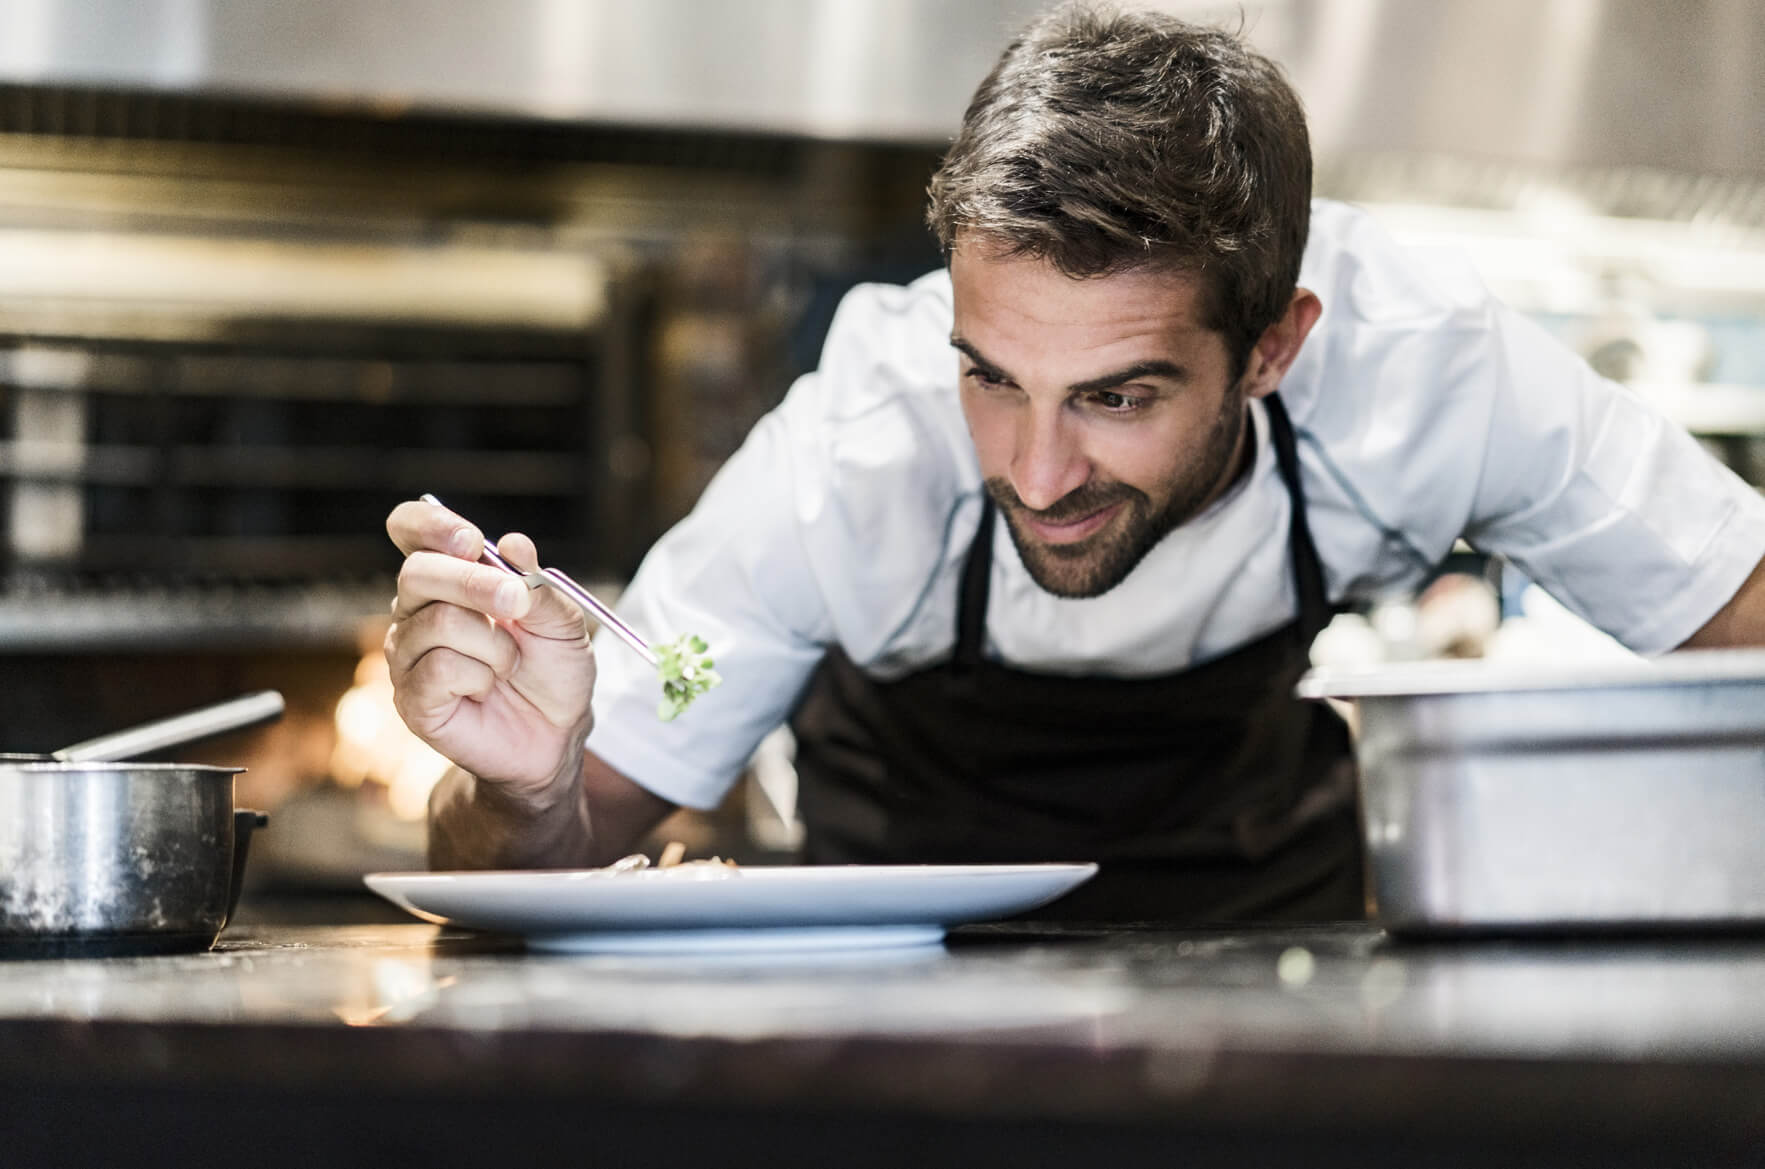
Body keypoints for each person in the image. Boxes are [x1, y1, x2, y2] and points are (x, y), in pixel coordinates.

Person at [383, 3, 1765, 923]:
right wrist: (520, 784)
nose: (1036, 470)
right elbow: (532, 868)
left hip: (1278, 966)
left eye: (1118, 394)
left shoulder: (1432, 370)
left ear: (1274, 348)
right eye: (990, 374)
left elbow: (1739, 613)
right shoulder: (849, 450)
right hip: (898, 1000)